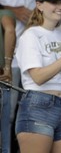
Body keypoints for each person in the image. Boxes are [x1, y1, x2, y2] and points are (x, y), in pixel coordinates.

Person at [0, 0, 61, 149]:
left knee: (41, 113)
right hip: (13, 50)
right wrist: (11, 8)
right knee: (7, 113)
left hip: (44, 47)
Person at [15, 0, 61, 153]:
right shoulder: (30, 36)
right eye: (54, 2)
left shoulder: (60, 35)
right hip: (37, 105)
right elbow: (37, 77)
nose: (60, 7)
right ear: (39, 5)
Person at [0, 9, 16, 153]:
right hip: (1, 78)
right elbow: (10, 30)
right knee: (4, 135)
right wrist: (7, 66)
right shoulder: (4, 14)